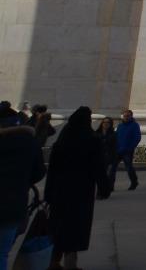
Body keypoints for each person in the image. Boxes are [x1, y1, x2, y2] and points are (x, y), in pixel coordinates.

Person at [44, 107, 101, 270]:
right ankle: (71, 264)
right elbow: (98, 167)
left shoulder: (61, 141)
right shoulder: (92, 140)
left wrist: (48, 194)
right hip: (81, 193)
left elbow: (52, 171)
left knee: (58, 227)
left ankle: (53, 262)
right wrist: (104, 187)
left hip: (59, 192)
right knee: (75, 229)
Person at [0, 116, 45, 259]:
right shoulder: (31, 142)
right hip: (14, 203)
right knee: (2, 253)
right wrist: (23, 181)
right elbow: (39, 171)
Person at [110, 110, 140, 193]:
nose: (126, 117)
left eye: (128, 116)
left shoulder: (134, 126)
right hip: (118, 150)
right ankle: (110, 186)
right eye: (125, 116)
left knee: (129, 168)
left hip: (127, 151)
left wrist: (131, 147)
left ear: (131, 116)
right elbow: (116, 137)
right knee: (112, 169)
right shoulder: (120, 126)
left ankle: (134, 182)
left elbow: (137, 138)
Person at [94, 117, 117, 199]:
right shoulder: (96, 133)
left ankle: (102, 192)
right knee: (99, 177)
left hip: (108, 159)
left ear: (110, 124)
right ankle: (99, 193)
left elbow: (115, 148)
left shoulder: (113, 134)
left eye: (108, 122)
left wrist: (114, 161)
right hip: (97, 158)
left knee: (105, 177)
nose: (106, 124)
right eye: (104, 122)